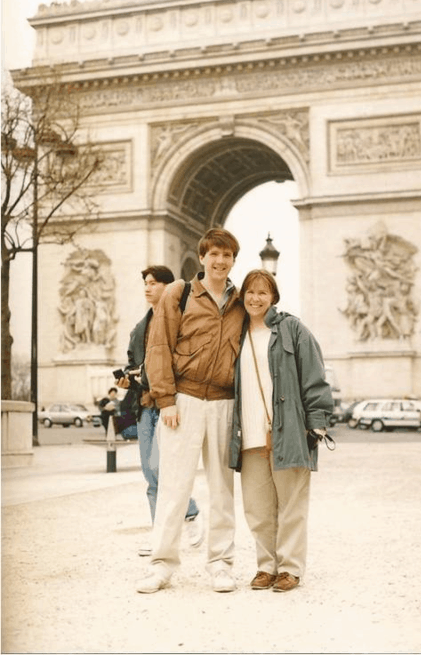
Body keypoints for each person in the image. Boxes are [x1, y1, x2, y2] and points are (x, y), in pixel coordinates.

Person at [136, 227, 245, 594]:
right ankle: (162, 564)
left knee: (222, 489)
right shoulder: (178, 294)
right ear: (201, 258)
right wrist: (165, 399)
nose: (220, 261)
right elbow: (158, 346)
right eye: (213, 254)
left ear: (233, 260)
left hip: (224, 402)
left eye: (227, 255)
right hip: (183, 400)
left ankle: (220, 563)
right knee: (173, 487)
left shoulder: (241, 300)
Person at [229, 269, 334, 592]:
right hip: (249, 434)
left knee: (291, 505)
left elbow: (314, 376)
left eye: (263, 292)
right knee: (257, 507)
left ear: (274, 297)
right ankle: (266, 566)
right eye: (250, 291)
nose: (255, 298)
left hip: (288, 431)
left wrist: (317, 420)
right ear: (242, 295)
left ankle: (289, 568)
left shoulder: (293, 329)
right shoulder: (234, 333)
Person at [116, 266, 203, 554]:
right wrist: (128, 378)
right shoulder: (138, 328)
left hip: (169, 404)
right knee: (150, 473)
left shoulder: (181, 320)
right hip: (145, 405)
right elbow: (132, 362)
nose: (147, 287)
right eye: (145, 283)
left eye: (153, 283)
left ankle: (188, 513)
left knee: (161, 469)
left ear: (169, 287)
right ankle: (161, 535)